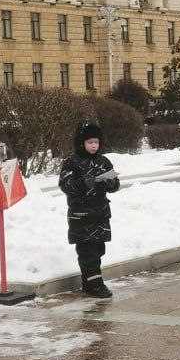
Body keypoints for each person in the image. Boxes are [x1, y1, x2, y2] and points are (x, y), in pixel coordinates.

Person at [59, 121, 121, 298]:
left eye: (96, 142)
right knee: (88, 253)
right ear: (81, 143)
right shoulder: (72, 162)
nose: (94, 146)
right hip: (82, 216)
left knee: (98, 250)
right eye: (90, 142)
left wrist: (111, 182)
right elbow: (65, 185)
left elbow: (114, 185)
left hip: (100, 215)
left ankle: (89, 283)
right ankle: (94, 285)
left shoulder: (103, 161)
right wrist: (84, 183)